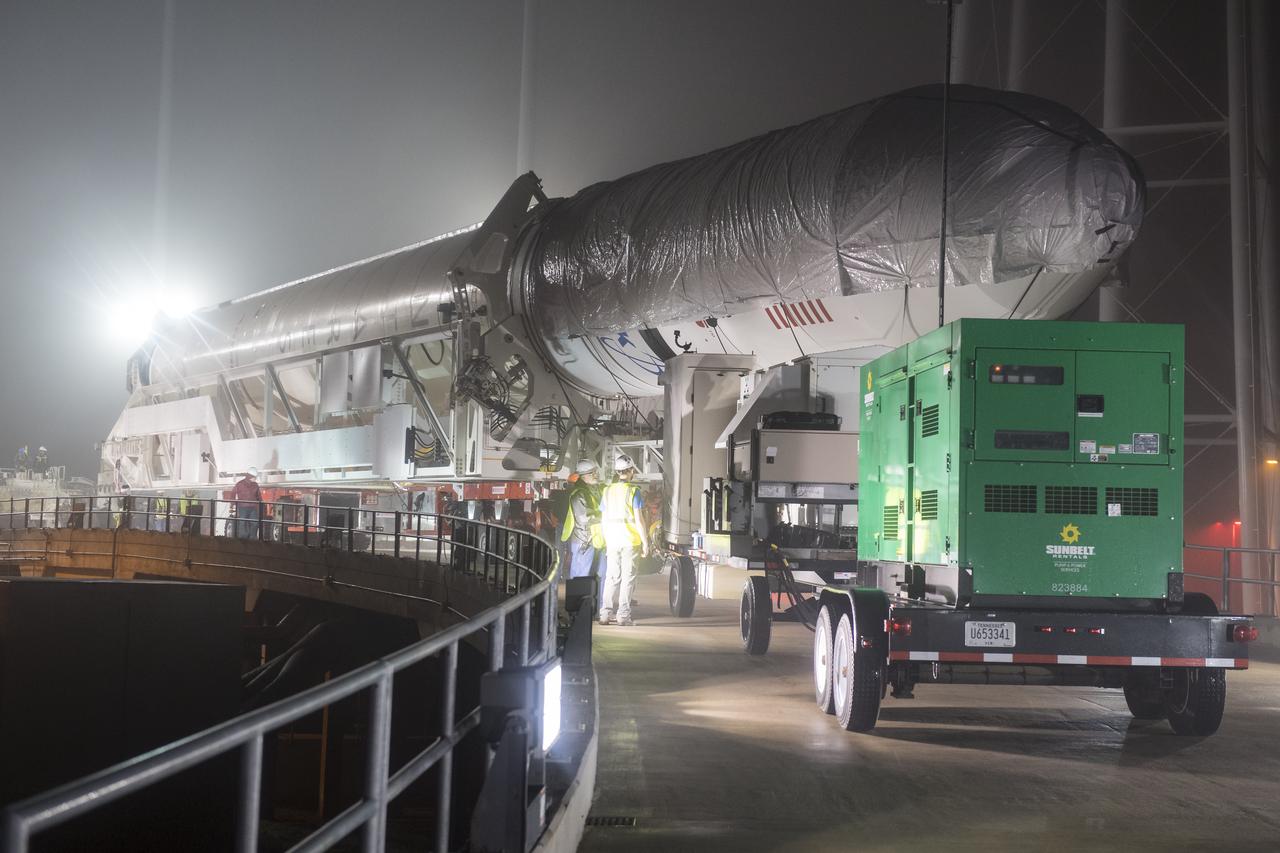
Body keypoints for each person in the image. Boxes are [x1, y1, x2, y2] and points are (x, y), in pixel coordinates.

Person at [599, 454, 648, 626]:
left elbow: (603, 519)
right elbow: (639, 520)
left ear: (618, 472)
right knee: (628, 578)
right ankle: (623, 616)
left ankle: (604, 614)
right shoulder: (634, 491)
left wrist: (606, 539)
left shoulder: (607, 491)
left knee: (611, 577)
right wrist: (646, 542)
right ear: (631, 471)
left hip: (612, 540)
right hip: (630, 541)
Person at [561, 459, 603, 596]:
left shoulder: (595, 490)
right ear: (584, 476)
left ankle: (595, 610)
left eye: (595, 472)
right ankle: (577, 610)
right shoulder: (578, 494)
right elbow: (584, 518)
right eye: (593, 473)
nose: (596, 475)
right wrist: (606, 517)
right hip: (582, 541)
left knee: (599, 575)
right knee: (580, 575)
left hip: (596, 539)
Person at [231, 467, 263, 539]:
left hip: (252, 507)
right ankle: (243, 539)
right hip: (243, 507)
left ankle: (252, 538)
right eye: (255, 477)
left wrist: (261, 504)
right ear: (250, 476)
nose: (256, 478)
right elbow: (233, 493)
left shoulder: (255, 485)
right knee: (243, 523)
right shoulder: (240, 484)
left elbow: (258, 496)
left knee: (254, 523)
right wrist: (232, 504)